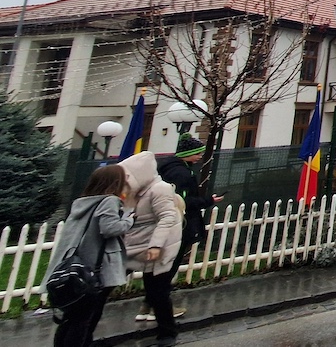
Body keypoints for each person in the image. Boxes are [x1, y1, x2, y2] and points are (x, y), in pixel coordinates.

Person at [43, 165, 135, 347]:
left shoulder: (83, 202)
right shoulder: (110, 201)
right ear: (116, 182)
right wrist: (129, 219)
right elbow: (110, 228)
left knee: (71, 317)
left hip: (76, 266)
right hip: (95, 270)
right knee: (84, 320)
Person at [133, 136, 222, 322]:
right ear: (188, 154)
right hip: (178, 225)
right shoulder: (182, 174)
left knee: (155, 269)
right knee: (167, 269)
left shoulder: (165, 168)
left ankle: (147, 306)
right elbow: (182, 202)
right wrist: (208, 201)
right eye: (198, 153)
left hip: (159, 225)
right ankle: (159, 309)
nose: (200, 156)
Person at [120, 151, 183, 347]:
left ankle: (167, 333)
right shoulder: (139, 191)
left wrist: (156, 245)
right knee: (106, 284)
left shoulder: (159, 189)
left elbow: (167, 217)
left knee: (158, 291)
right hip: (137, 246)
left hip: (156, 249)